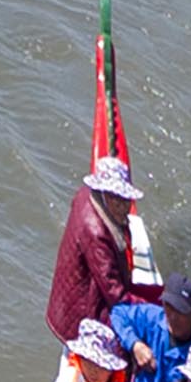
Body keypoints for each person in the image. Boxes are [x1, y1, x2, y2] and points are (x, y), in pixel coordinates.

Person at [45, 146, 147, 347]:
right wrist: (149, 310)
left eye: (127, 200)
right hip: (78, 318)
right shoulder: (96, 233)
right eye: (120, 200)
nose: (126, 207)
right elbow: (115, 293)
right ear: (106, 196)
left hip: (66, 303)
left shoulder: (85, 195)